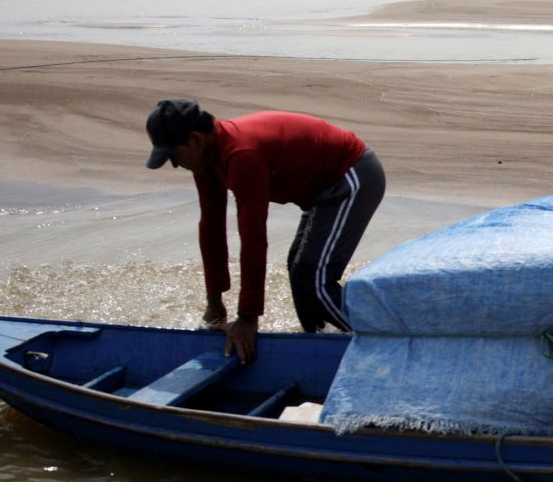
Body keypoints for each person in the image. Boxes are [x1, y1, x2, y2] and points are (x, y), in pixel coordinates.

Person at [146, 99, 386, 363]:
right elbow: (211, 228)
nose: (175, 165)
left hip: (351, 175)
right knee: (299, 272)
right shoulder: (206, 160)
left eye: (173, 156)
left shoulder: (241, 154)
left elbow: (253, 238)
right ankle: (327, 349)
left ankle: (380, 347)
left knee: (314, 277)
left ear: (194, 140)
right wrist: (214, 301)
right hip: (319, 190)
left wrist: (248, 317)